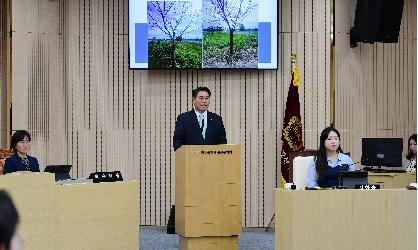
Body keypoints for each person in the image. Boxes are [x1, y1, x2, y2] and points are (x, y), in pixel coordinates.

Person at [173, 86, 227, 151]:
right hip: (190, 158)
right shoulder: (183, 118)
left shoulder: (216, 119)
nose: (204, 101)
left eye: (207, 98)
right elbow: (177, 142)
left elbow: (222, 142)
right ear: (194, 99)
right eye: (201, 98)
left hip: (212, 159)